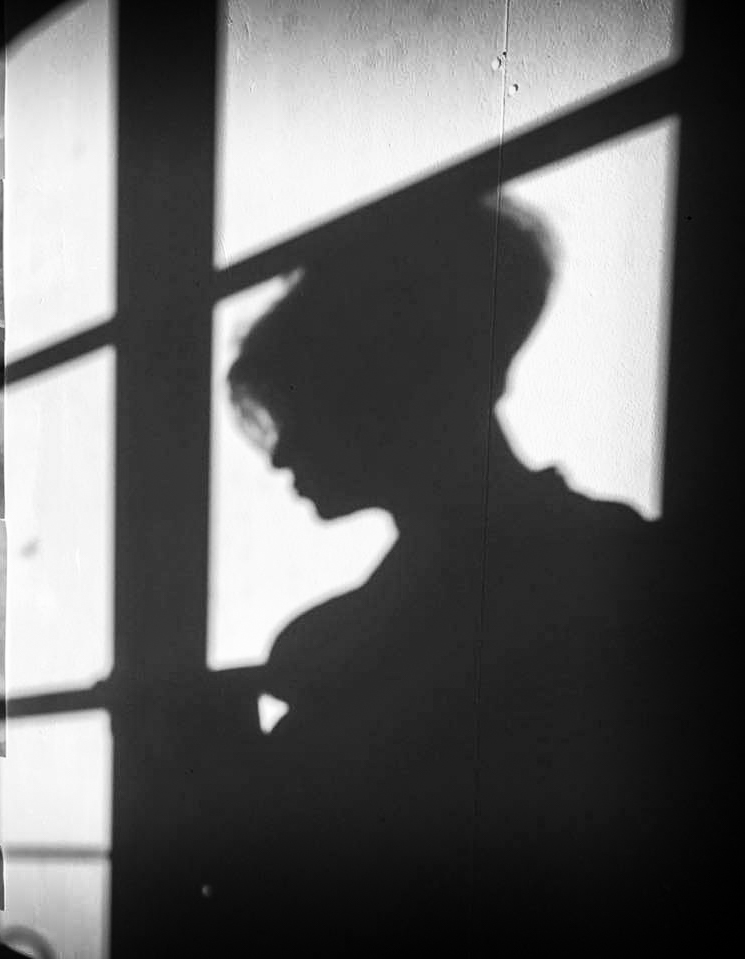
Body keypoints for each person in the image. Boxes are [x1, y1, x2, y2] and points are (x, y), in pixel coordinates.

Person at [197, 195, 697, 954]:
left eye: (306, 408)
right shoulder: (613, 558)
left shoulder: (617, 574)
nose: (279, 453)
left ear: (387, 392)